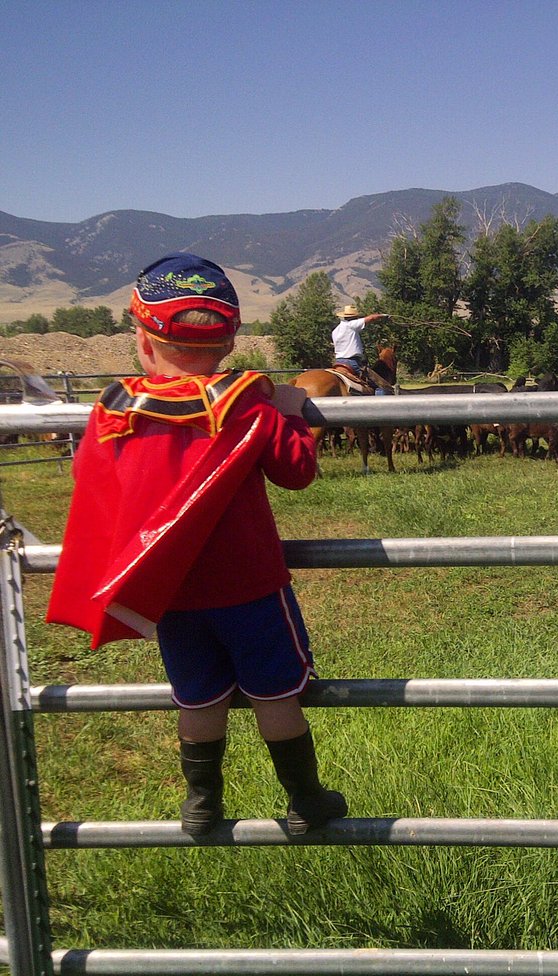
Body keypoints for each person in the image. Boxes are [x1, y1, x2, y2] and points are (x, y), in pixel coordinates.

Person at [46, 253, 347, 837]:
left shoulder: (115, 407)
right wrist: (293, 415)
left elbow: (90, 473)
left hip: (172, 595)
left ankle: (202, 802)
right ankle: (306, 800)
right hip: (253, 588)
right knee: (277, 696)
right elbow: (296, 471)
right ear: (230, 341)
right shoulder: (248, 398)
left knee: (199, 700)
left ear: (143, 337)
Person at [332, 304, 389, 385]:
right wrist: (383, 316)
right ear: (353, 317)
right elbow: (371, 318)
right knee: (379, 384)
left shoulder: (335, 330)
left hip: (338, 361)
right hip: (352, 362)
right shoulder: (351, 325)